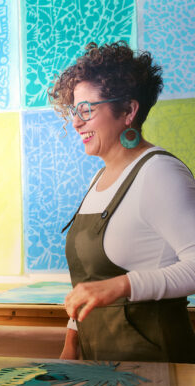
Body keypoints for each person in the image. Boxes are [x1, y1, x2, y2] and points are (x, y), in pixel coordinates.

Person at [49, 42, 195, 363]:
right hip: (96, 358)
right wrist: (71, 342)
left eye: (87, 109)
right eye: (75, 110)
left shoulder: (160, 173)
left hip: (155, 360)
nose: (76, 122)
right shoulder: (96, 181)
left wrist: (121, 285)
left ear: (128, 111)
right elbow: (89, 282)